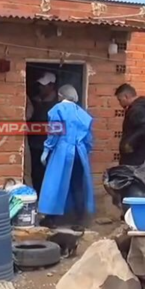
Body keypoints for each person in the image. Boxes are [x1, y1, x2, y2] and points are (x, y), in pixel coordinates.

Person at [38, 84, 95, 226]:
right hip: (79, 152)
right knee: (77, 184)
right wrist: (84, 151)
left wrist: (47, 149)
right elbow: (89, 139)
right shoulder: (83, 114)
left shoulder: (57, 110)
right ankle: (80, 220)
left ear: (60, 95)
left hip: (62, 150)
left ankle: (51, 220)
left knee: (55, 182)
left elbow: (54, 132)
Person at [27, 72, 59, 194]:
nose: (40, 88)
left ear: (52, 86)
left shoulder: (58, 105)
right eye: (40, 85)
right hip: (35, 145)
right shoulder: (35, 101)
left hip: (50, 148)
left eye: (44, 85)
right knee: (36, 176)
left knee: (49, 177)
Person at [115, 83, 145, 166]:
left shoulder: (137, 110)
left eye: (120, 100)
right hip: (135, 157)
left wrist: (130, 142)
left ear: (126, 96)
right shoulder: (136, 109)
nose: (120, 103)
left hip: (135, 160)